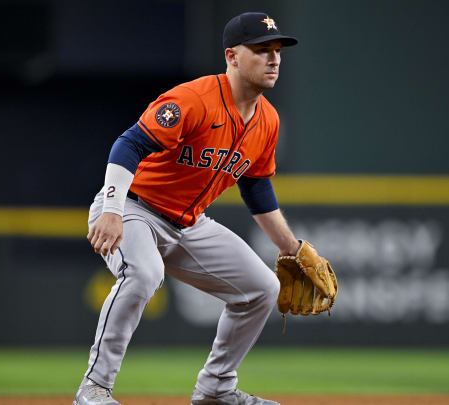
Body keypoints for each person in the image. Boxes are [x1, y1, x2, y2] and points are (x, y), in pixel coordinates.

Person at [74, 12, 301, 405]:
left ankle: (215, 389)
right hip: (133, 208)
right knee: (144, 273)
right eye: (262, 50)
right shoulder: (193, 99)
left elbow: (256, 187)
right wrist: (111, 209)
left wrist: (291, 248)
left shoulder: (268, 120)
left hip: (189, 224)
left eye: (277, 50)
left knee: (262, 289)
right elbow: (128, 145)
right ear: (231, 56)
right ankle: (94, 389)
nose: (274, 59)